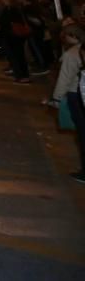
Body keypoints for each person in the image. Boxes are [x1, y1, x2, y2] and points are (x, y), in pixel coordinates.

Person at [52, 24, 85, 183]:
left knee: (82, 133)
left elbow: (64, 78)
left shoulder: (71, 54)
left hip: (76, 94)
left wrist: (57, 98)